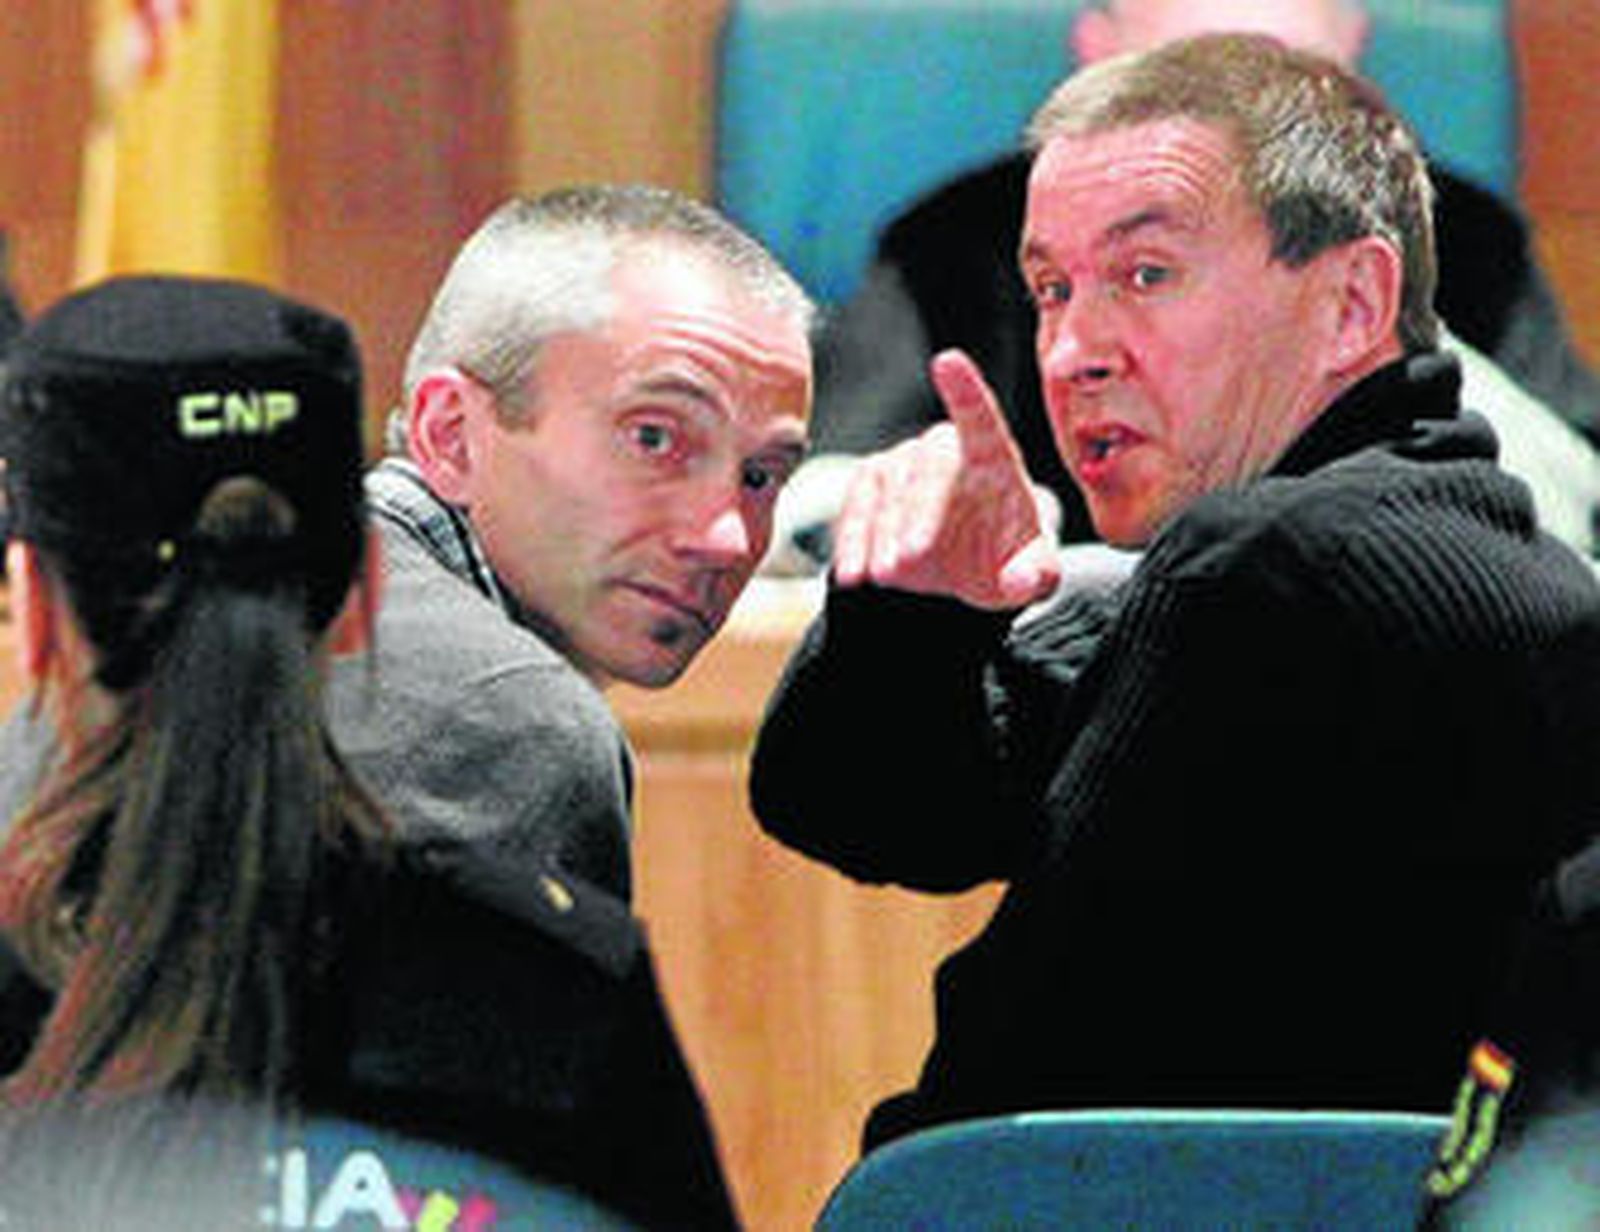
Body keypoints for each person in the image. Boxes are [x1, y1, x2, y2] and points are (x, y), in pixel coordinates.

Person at [748, 33, 1600, 1154]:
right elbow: (867, 805)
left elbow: (999, 1086)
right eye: (1049, 288)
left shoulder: (1266, 570)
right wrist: (916, 606)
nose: (1068, 352)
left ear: (1353, 303)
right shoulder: (1486, 550)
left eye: (1144, 274)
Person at [0, 186, 815, 1230]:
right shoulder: (520, 732)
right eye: (655, 438)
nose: (723, 533)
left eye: (761, 475)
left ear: (33, 620)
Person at [795, 0, 1600, 555]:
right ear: (1099, 60)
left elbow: (1579, 504)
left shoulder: (1465, 243)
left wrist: (1392, 346)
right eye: (1184, 98)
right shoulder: (956, 245)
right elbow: (820, 490)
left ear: (1351, 56)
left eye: (1286, 106)